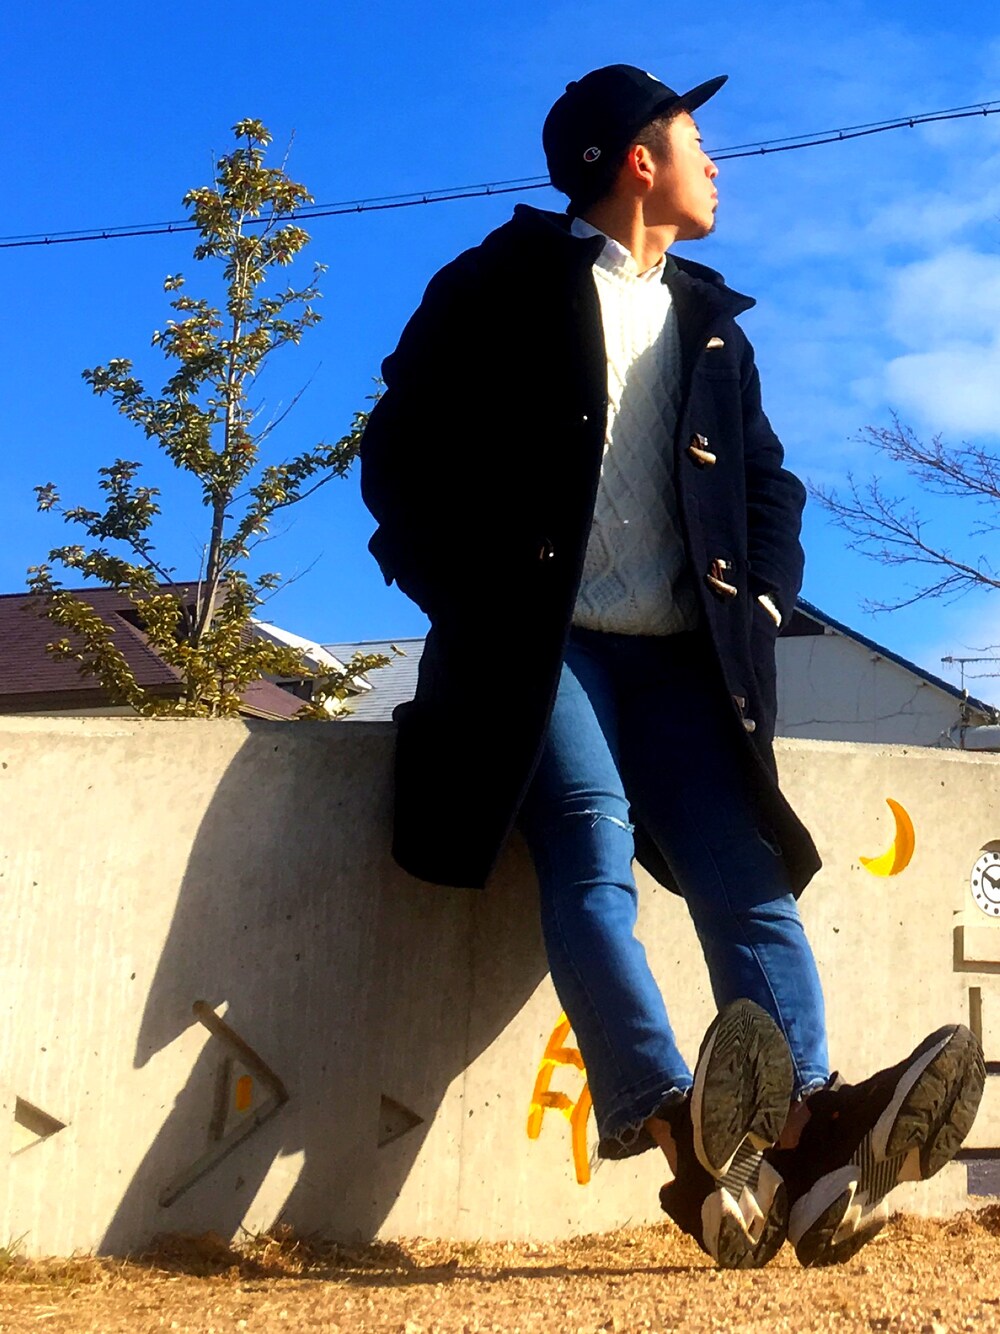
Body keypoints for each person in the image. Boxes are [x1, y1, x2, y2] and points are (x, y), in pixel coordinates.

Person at [360, 64, 985, 1268]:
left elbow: (766, 482)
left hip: (679, 663)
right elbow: (398, 450)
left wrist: (763, 596)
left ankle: (805, 1129)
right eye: (698, 142)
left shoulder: (709, 321)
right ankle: (676, 1122)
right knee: (589, 846)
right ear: (636, 160)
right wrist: (470, 600)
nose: (717, 166)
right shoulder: (497, 283)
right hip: (544, 651)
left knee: (746, 873)